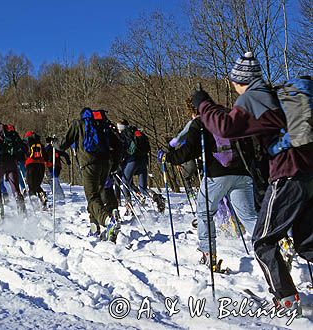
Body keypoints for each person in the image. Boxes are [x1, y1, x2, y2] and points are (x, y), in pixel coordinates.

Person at [192, 51, 313, 312]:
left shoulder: (253, 97)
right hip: (307, 172)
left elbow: (224, 127)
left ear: (239, 80)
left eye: (233, 81)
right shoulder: (275, 96)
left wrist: (203, 104)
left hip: (287, 173)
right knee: (307, 241)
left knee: (263, 241)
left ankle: (287, 300)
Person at [158, 95, 258, 272]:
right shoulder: (230, 116)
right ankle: (276, 244)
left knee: (204, 212)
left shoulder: (200, 122)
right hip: (243, 173)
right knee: (249, 217)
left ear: (194, 110)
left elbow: (188, 151)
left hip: (217, 175)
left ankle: (208, 253)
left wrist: (168, 157)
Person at [56, 107, 122, 241]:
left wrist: (54, 143)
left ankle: (108, 221)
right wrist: (114, 165)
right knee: (96, 195)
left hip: (89, 164)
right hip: (106, 164)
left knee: (92, 198)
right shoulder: (104, 125)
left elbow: (62, 145)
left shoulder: (78, 124)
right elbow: (118, 145)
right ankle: (94, 227)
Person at [0, 120, 26, 219]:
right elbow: (22, 146)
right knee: (15, 188)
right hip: (11, 162)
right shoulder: (11, 132)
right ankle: (22, 213)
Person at [117, 120, 151, 210]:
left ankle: (128, 204)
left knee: (125, 183)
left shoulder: (124, 135)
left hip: (132, 161)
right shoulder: (137, 132)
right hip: (143, 161)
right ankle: (154, 197)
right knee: (143, 187)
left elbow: (122, 150)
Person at [24, 131, 48, 209]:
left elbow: (24, 154)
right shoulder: (40, 145)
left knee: (31, 186)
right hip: (41, 165)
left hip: (30, 165)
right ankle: (41, 194)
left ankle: (35, 205)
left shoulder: (26, 144)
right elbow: (46, 157)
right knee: (37, 185)